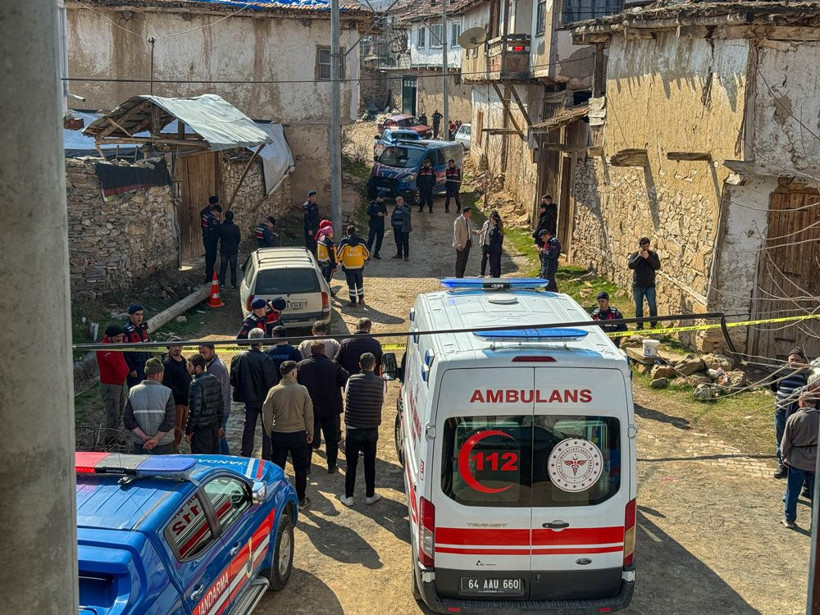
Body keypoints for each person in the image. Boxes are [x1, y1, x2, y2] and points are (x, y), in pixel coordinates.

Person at [263, 360, 314, 510]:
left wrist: (269, 431)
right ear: (293, 373)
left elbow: (266, 415)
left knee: (278, 468)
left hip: (279, 434)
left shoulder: (274, 391)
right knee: (300, 468)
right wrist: (310, 432)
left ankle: (279, 500)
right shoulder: (302, 390)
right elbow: (309, 414)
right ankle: (301, 498)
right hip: (298, 434)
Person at [340, 353, 385, 507]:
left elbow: (347, 396)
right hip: (371, 428)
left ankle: (348, 496)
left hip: (353, 428)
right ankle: (370, 494)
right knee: (369, 463)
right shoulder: (381, 382)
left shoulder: (351, 380)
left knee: (351, 464)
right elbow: (382, 401)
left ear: (360, 364)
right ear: (374, 365)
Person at [297, 341, 350, 474]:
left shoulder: (301, 366)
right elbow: (346, 379)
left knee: (308, 437)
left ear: (311, 351)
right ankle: (331, 465)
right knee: (331, 438)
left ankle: (306, 466)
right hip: (330, 407)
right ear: (323, 350)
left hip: (309, 409)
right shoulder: (333, 365)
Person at [230, 328, 279, 458]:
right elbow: (271, 382)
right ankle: (267, 455)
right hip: (263, 399)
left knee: (249, 427)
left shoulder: (238, 357)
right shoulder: (265, 359)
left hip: (249, 399)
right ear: (261, 341)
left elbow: (233, 380)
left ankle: (245, 453)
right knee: (267, 428)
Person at [780, 388, 819, 529]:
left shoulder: (794, 418)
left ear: (802, 402)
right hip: (815, 462)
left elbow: (785, 442)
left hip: (797, 460)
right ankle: (815, 524)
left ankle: (789, 519)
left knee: (792, 491)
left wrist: (784, 457)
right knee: (816, 496)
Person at [122, 358, 175, 455]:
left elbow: (127, 420)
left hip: (141, 443)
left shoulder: (132, 392)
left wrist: (144, 437)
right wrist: (156, 439)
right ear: (159, 373)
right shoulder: (167, 392)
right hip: (164, 443)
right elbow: (170, 421)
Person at [771, 347, 810, 479]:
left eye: (797, 360)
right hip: (780, 411)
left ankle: (793, 465)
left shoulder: (806, 374)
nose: (794, 362)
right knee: (781, 438)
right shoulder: (782, 371)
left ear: (803, 361)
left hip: (796, 415)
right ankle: (782, 466)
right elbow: (773, 386)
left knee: (795, 441)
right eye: (791, 359)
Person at [95, 325, 129, 445]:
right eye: (118, 337)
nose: (120, 339)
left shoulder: (114, 345)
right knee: (113, 412)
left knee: (119, 411)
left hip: (118, 383)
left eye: (121, 336)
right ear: (111, 337)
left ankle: (114, 436)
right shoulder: (104, 348)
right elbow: (115, 362)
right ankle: (110, 439)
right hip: (110, 384)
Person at [185, 353, 223, 454]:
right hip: (213, 427)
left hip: (201, 431)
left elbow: (194, 411)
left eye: (189, 365)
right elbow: (220, 405)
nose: (187, 368)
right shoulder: (215, 379)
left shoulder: (195, 383)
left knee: (201, 461)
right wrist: (219, 425)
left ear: (198, 367)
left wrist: (188, 431)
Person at [198, 342, 232, 455]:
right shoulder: (215, 363)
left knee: (217, 439)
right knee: (221, 438)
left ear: (213, 350)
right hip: (223, 408)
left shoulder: (215, 367)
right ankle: (227, 461)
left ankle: (223, 463)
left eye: (205, 352)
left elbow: (214, 393)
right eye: (200, 353)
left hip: (219, 410)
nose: (202, 356)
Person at [161, 336, 191, 454]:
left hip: (185, 401)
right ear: (169, 347)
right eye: (174, 346)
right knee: (175, 429)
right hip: (176, 402)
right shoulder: (167, 363)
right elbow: (168, 384)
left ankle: (176, 447)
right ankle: (173, 451)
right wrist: (182, 395)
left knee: (182, 427)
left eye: (179, 346)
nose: (177, 349)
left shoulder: (183, 360)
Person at [627, 237, 661, 330]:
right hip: (638, 285)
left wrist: (648, 258)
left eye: (647, 246)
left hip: (650, 285)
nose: (645, 248)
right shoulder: (635, 255)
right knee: (639, 307)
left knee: (652, 306)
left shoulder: (653, 255)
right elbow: (631, 265)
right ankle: (639, 326)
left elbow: (657, 266)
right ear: (640, 246)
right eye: (643, 246)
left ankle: (653, 325)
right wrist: (639, 256)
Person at [337, 225, 371, 307]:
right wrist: (362, 259)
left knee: (351, 284)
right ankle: (361, 299)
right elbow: (367, 253)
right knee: (359, 282)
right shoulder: (361, 241)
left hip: (348, 266)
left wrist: (342, 261)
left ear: (347, 232)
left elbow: (339, 254)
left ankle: (353, 301)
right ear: (355, 232)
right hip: (359, 266)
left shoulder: (344, 242)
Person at [123, 303, 150, 388]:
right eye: (137, 315)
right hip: (135, 366)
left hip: (146, 364)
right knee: (136, 389)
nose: (140, 317)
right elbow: (125, 352)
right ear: (130, 316)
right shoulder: (126, 330)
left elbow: (149, 345)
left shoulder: (143, 328)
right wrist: (131, 368)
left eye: (141, 314)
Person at [200, 195, 222, 283]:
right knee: (210, 256)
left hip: (211, 237)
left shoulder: (209, 214)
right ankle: (209, 275)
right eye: (214, 204)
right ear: (210, 204)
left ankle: (210, 272)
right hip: (209, 237)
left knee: (212, 256)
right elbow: (214, 226)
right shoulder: (205, 213)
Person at [218, 210, 241, 289]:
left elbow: (219, 236)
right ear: (232, 218)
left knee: (223, 267)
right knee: (233, 267)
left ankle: (222, 283)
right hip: (233, 249)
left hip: (224, 249)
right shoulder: (235, 228)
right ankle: (233, 284)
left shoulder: (221, 227)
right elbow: (238, 238)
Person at [453, 207, 478, 278]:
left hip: (467, 243)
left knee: (464, 260)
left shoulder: (468, 220)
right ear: (466, 213)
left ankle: (462, 275)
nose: (471, 214)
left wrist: (476, 232)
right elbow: (456, 233)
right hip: (461, 244)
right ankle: (458, 276)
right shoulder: (458, 220)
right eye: (470, 213)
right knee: (460, 260)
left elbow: (468, 230)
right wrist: (458, 243)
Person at [478, 212, 503, 278]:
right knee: (487, 261)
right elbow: (483, 233)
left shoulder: (495, 229)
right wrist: (481, 242)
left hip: (493, 249)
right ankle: (483, 274)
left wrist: (489, 252)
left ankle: (494, 277)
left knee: (494, 264)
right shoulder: (491, 225)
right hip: (492, 247)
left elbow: (492, 241)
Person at [366, 191, 388, 259]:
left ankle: (376, 253)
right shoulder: (372, 203)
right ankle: (367, 253)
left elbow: (386, 212)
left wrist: (385, 214)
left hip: (381, 223)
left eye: (382, 198)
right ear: (377, 197)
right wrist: (376, 214)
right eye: (380, 198)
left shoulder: (383, 204)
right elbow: (368, 212)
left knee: (380, 238)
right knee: (371, 238)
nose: (381, 199)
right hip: (373, 222)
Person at [391, 196, 412, 261]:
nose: (397, 203)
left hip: (404, 228)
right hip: (396, 227)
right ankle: (399, 253)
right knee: (398, 241)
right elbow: (393, 215)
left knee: (405, 242)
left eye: (398, 201)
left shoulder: (407, 207)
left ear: (402, 201)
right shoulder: (396, 207)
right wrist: (392, 223)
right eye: (396, 201)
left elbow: (407, 213)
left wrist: (401, 207)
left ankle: (406, 255)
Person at [303, 190, 320, 255]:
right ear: (309, 197)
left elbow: (317, 217)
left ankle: (314, 257)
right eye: (312, 197)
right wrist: (309, 229)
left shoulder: (315, 205)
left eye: (315, 197)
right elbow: (306, 219)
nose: (314, 198)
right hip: (310, 228)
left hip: (316, 227)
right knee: (310, 244)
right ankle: (310, 257)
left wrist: (319, 227)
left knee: (315, 244)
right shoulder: (306, 206)